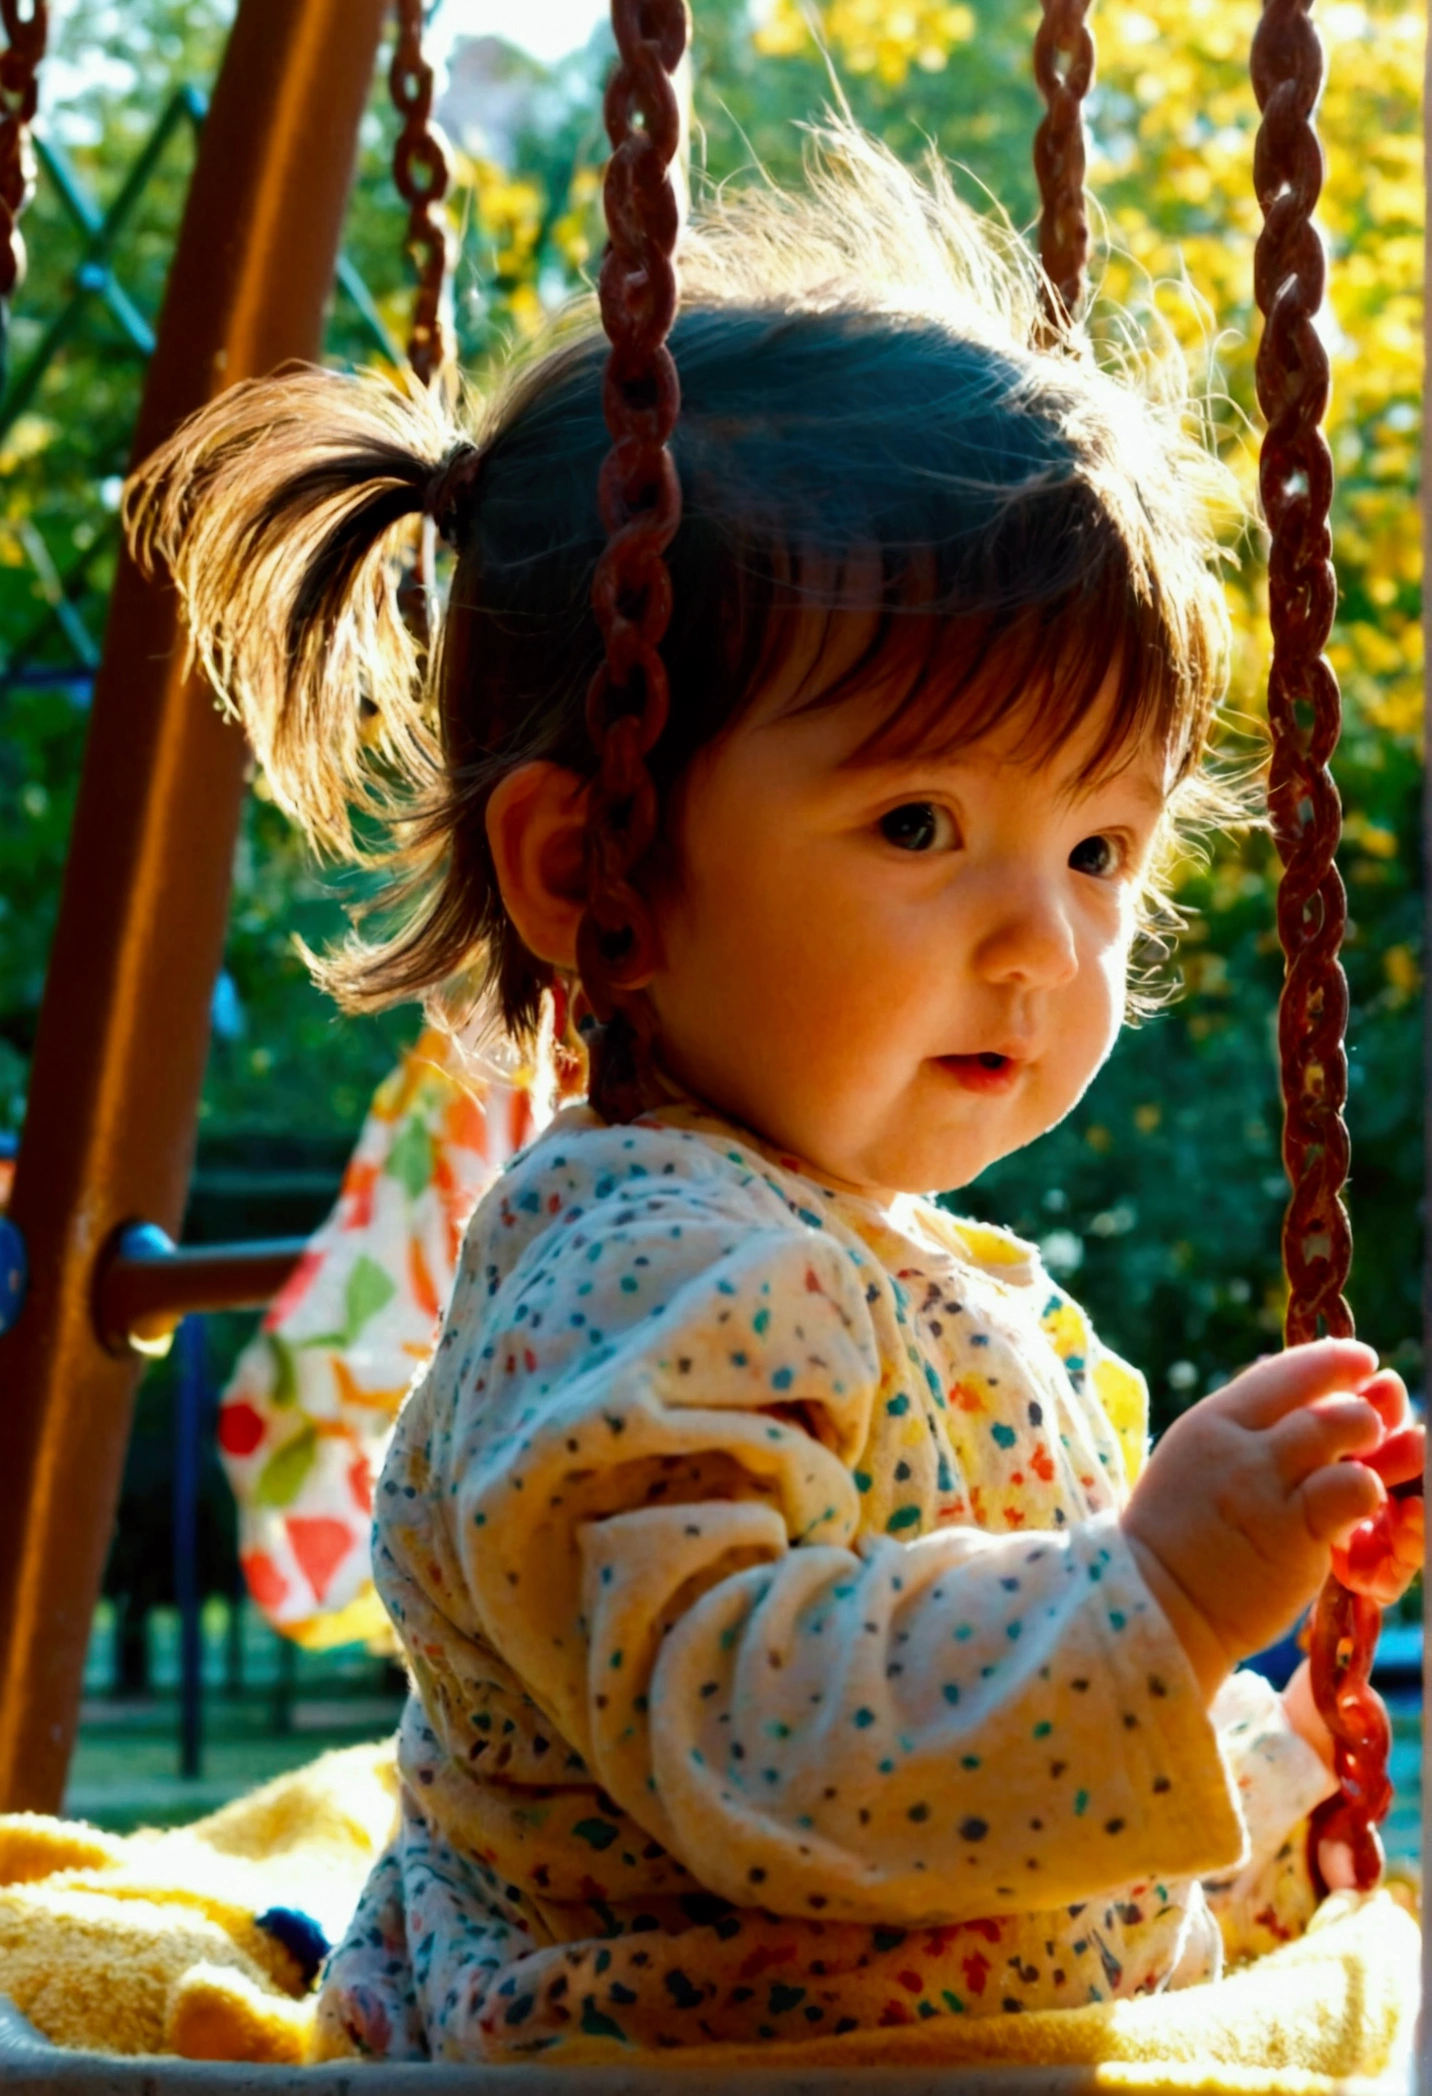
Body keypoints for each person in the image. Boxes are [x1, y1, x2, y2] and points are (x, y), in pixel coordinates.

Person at [126, 129, 1422, 2064]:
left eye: (1098, 848)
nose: (1046, 944)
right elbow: (759, 1735)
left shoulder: (856, 1251)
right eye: (922, 823)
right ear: (594, 875)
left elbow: (973, 1732)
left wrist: (1249, 1763)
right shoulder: (648, 1264)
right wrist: (1154, 1598)